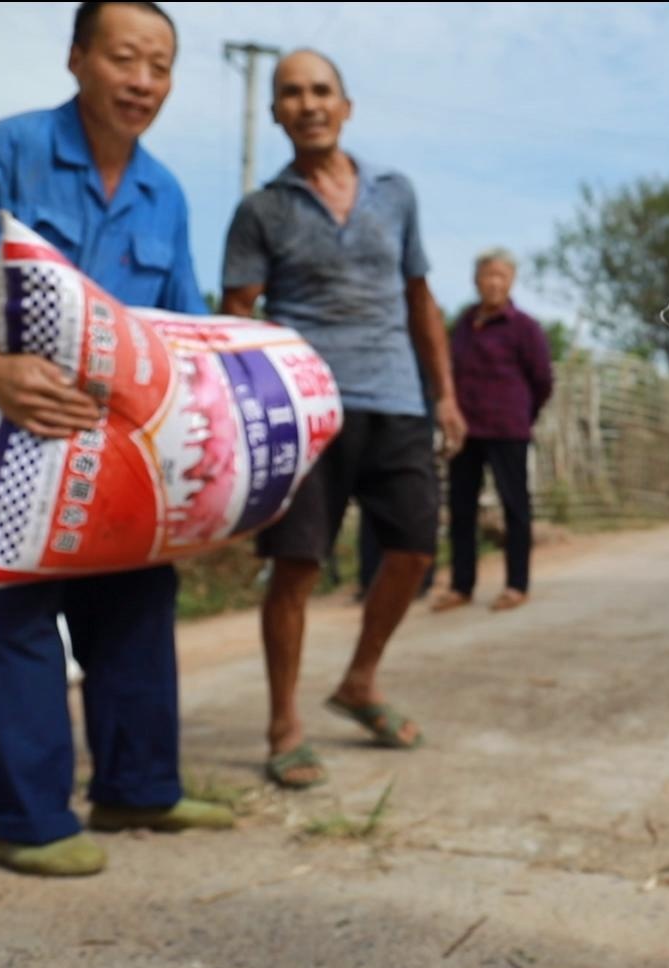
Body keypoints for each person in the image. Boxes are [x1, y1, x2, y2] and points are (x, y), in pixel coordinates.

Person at [0, 0, 233, 877]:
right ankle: (25, 819)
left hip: (115, 436)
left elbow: (181, 323)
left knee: (134, 600)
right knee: (12, 612)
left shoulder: (165, 190)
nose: (142, 82)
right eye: (125, 58)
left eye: (159, 67)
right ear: (78, 59)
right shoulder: (5, 152)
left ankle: (138, 788)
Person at [221, 49, 467, 789]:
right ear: (276, 114)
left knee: (416, 551)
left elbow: (420, 298)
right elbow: (238, 314)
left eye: (320, 90)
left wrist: (444, 394)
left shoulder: (395, 193)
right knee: (295, 566)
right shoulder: (262, 208)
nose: (308, 103)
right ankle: (283, 725)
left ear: (346, 105)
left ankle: (361, 680)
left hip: (396, 398)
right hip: (306, 410)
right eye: (290, 94)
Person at [430, 251, 552, 615]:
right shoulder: (464, 325)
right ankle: (461, 585)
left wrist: (523, 415)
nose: (494, 282)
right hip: (466, 431)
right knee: (461, 509)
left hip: (507, 427)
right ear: (476, 280)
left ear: (511, 281)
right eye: (487, 275)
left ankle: (517, 584)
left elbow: (542, 379)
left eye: (501, 276)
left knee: (515, 506)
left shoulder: (524, 327)